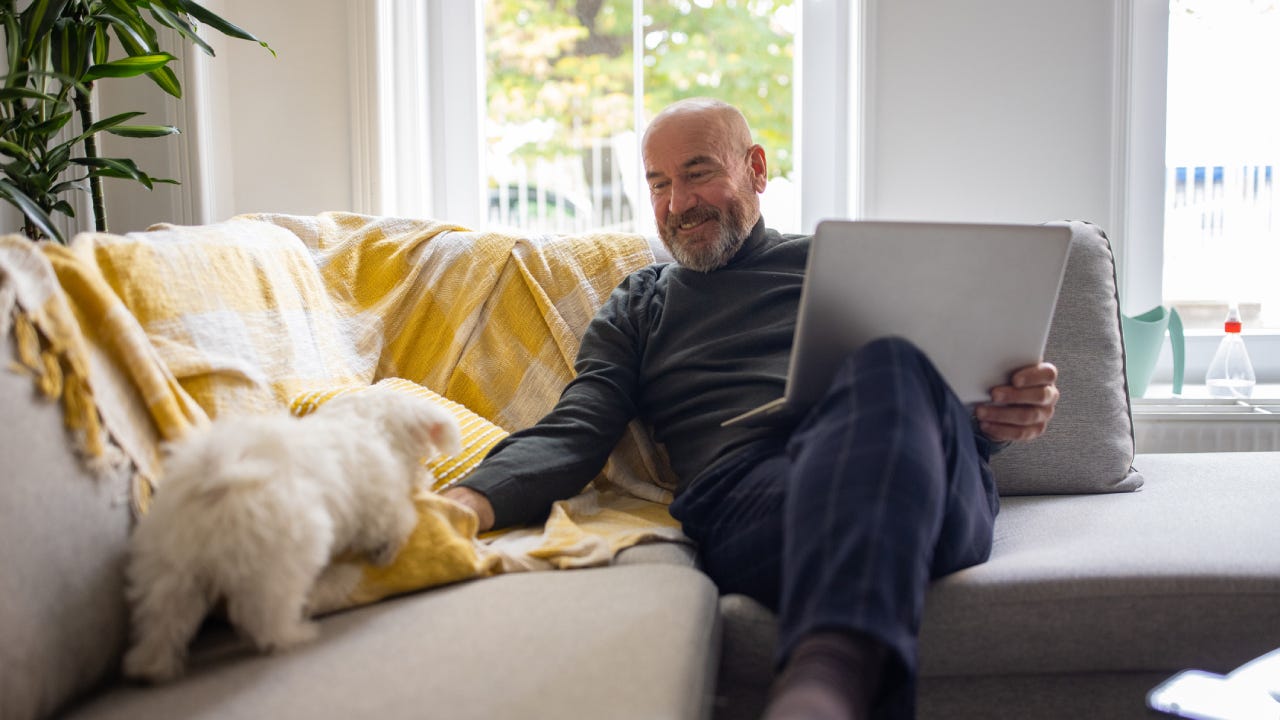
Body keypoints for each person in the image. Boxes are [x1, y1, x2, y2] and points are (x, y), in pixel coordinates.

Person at [442, 97, 1059, 720]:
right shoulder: (641, 303)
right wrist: (470, 498)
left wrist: (1003, 414)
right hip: (756, 499)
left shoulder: (847, 263)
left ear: (756, 169)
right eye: (660, 184)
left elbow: (938, 409)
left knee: (891, 363)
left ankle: (821, 688)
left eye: (699, 172)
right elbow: (579, 426)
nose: (679, 204)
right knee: (885, 384)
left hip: (920, 482)